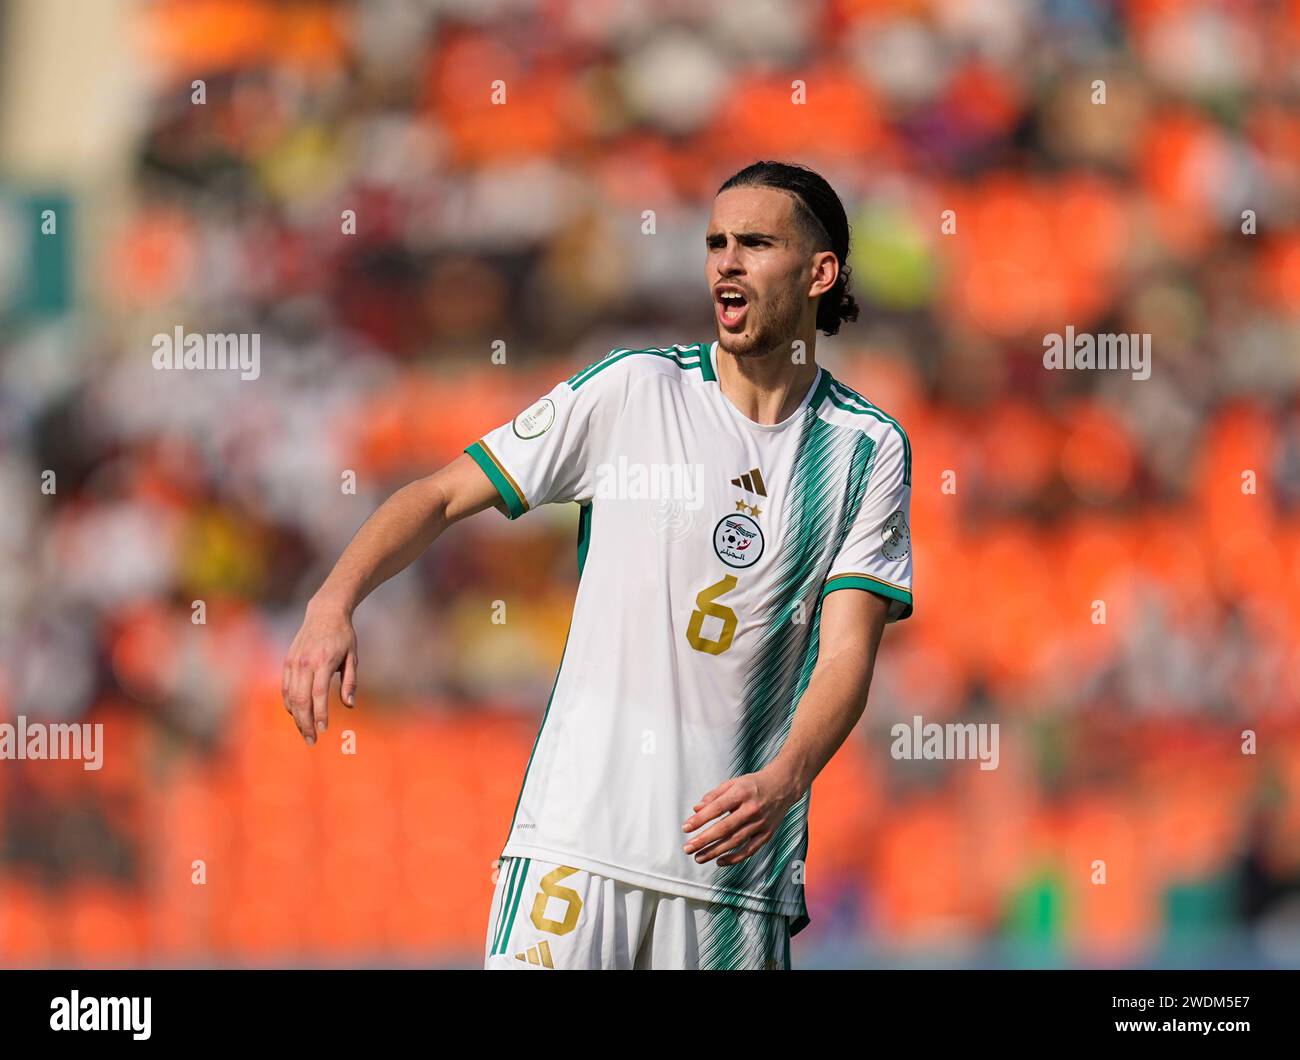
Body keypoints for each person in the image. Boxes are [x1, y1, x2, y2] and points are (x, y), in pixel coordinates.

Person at [282, 161, 913, 969]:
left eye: (755, 243)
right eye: (716, 242)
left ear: (821, 273)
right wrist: (333, 602)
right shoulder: (633, 391)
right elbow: (439, 496)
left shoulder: (866, 449)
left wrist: (787, 776)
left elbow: (849, 648)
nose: (726, 260)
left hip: (730, 879)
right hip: (575, 850)